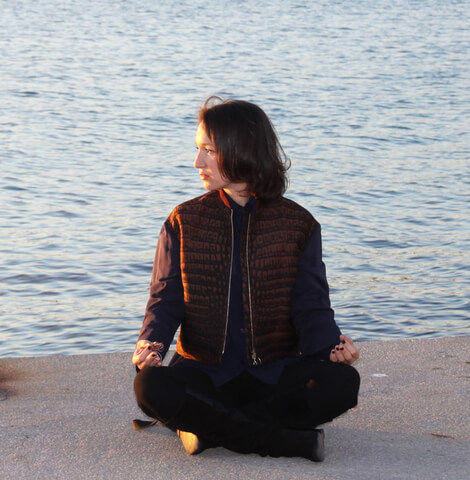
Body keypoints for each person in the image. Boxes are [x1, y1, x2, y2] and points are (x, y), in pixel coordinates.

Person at [133, 97, 360, 462]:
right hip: (203, 374)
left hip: (274, 374)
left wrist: (332, 349)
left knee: (343, 384)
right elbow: (165, 300)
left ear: (242, 149)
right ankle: (286, 441)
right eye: (198, 149)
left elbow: (311, 307)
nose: (198, 162)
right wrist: (152, 346)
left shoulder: (298, 224)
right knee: (149, 386)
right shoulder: (183, 221)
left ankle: (205, 429)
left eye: (209, 150)